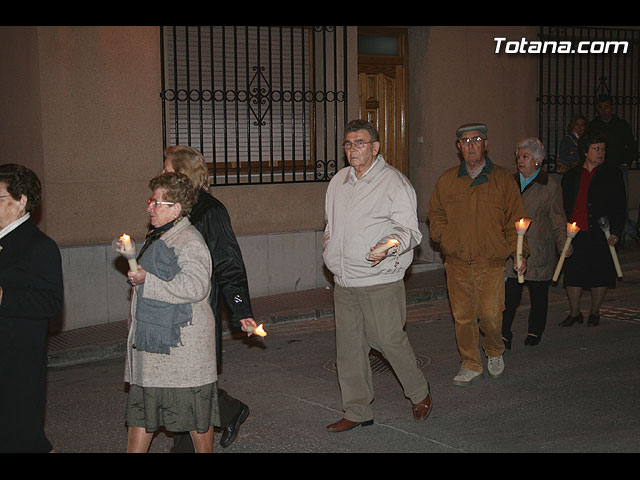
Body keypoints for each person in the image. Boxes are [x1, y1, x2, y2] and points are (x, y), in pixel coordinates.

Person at [322, 119, 431, 432]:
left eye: (359, 143)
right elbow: (330, 225)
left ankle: (419, 392)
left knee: (388, 340)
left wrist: (389, 244)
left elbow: (410, 231)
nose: (352, 149)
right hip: (344, 281)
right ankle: (357, 411)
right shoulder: (338, 181)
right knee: (349, 349)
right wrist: (328, 247)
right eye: (348, 143)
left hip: (379, 279)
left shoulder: (394, 183)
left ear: (375, 147)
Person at [162, 145, 256, 451]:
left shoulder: (210, 211)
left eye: (167, 170)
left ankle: (185, 446)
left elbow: (229, 263)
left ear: (183, 174)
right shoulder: (171, 209)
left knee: (189, 384)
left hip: (197, 311)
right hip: (171, 308)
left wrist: (241, 311)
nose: (161, 174)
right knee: (181, 382)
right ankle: (230, 410)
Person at [125, 172, 219, 453]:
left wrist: (146, 280)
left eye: (156, 203)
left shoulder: (189, 241)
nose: (149, 207)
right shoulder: (161, 236)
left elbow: (196, 286)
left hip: (182, 351)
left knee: (196, 419)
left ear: (176, 209)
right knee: (141, 415)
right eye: (150, 201)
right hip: (154, 350)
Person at [427, 123, 527, 386]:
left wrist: (519, 252)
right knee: (463, 317)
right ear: (459, 147)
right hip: (457, 262)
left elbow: (516, 219)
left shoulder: (503, 179)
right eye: (465, 141)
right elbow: (435, 214)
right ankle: (470, 363)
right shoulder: (447, 180)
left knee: (492, 315)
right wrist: (443, 235)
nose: (471, 145)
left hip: (491, 261)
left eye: (477, 139)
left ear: (486, 144)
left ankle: (494, 351)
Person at [0, 164, 63, 453]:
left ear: (21, 200)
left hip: (17, 358)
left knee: (21, 433)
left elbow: (51, 302)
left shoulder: (39, 246)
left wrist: (4, 297)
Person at [502, 138, 568, 349]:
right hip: (514, 249)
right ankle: (504, 334)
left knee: (538, 294)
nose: (520, 161)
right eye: (519, 156)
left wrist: (564, 244)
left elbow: (558, 218)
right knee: (509, 296)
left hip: (538, 248)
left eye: (525, 156)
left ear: (538, 161)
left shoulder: (549, 186)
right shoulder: (509, 183)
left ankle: (534, 330)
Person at [559, 130, 626, 327]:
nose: (601, 153)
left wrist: (616, 232)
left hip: (600, 231)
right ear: (585, 151)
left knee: (600, 272)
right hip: (575, 231)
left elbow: (620, 205)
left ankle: (595, 312)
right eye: (596, 149)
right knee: (573, 274)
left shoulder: (612, 174)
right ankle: (574, 312)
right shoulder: (571, 176)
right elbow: (563, 205)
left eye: (603, 149)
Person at [589, 94, 637, 244]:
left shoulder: (621, 125)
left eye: (607, 107)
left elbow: (632, 145)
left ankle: (621, 236)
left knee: (621, 202)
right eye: (601, 108)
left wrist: (626, 161)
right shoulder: (594, 126)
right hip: (600, 170)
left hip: (618, 168)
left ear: (612, 107)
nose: (604, 111)